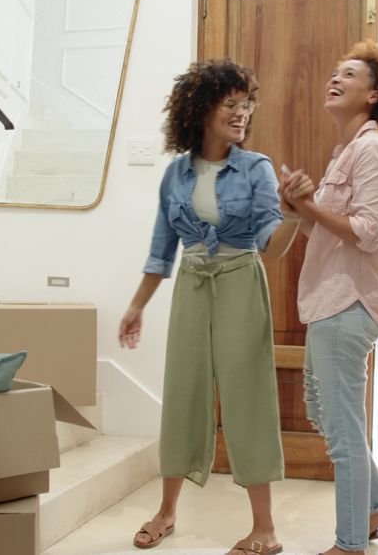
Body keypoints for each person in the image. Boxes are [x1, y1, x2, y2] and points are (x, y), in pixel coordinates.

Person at [119, 59, 304, 555]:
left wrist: (292, 213)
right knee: (182, 395)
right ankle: (166, 512)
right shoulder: (174, 176)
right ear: (201, 109)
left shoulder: (257, 168)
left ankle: (264, 528)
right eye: (231, 105)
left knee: (248, 398)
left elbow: (272, 245)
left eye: (247, 106)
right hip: (192, 287)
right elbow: (161, 251)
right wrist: (137, 307)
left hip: (242, 281)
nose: (242, 114)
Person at [279, 41, 378, 555]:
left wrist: (308, 205)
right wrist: (296, 205)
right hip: (329, 301)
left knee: (341, 431)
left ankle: (350, 543)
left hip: (348, 304)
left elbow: (368, 231)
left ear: (375, 94)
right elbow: (329, 232)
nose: (334, 78)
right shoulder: (347, 153)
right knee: (325, 411)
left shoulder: (372, 150)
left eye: (350, 73)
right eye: (334, 72)